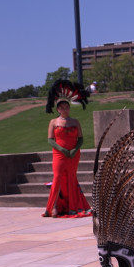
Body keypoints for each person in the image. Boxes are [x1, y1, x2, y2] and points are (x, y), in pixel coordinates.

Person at [43, 80, 92, 218]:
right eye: (62, 107)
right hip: (59, 154)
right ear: (58, 109)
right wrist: (62, 150)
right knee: (57, 178)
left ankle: (72, 207)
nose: (65, 109)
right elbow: (50, 140)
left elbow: (81, 139)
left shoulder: (75, 122)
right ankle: (52, 207)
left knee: (71, 178)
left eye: (67, 107)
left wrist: (74, 150)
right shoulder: (53, 122)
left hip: (73, 154)